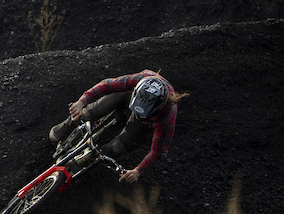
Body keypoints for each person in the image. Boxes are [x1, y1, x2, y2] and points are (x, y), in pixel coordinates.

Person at [49, 70, 187, 183]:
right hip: (127, 96)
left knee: (118, 147)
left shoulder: (167, 118)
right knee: (91, 112)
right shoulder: (139, 80)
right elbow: (107, 85)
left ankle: (85, 160)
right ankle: (69, 123)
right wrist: (81, 102)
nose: (137, 114)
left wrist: (138, 171)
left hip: (145, 118)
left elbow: (158, 152)